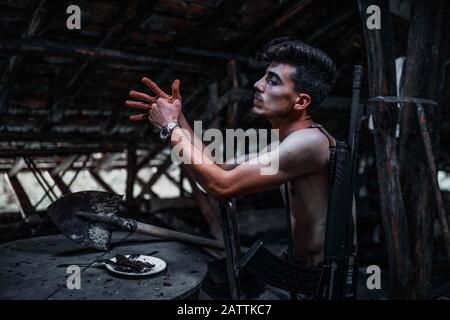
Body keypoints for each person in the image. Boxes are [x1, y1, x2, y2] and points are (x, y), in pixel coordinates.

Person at [125, 37, 337, 285]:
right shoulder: (289, 144)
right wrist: (180, 119)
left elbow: (221, 186)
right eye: (263, 76)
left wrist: (169, 128)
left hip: (323, 282)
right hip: (303, 275)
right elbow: (217, 166)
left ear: (301, 101)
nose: (258, 85)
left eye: (273, 81)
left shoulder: (311, 143)